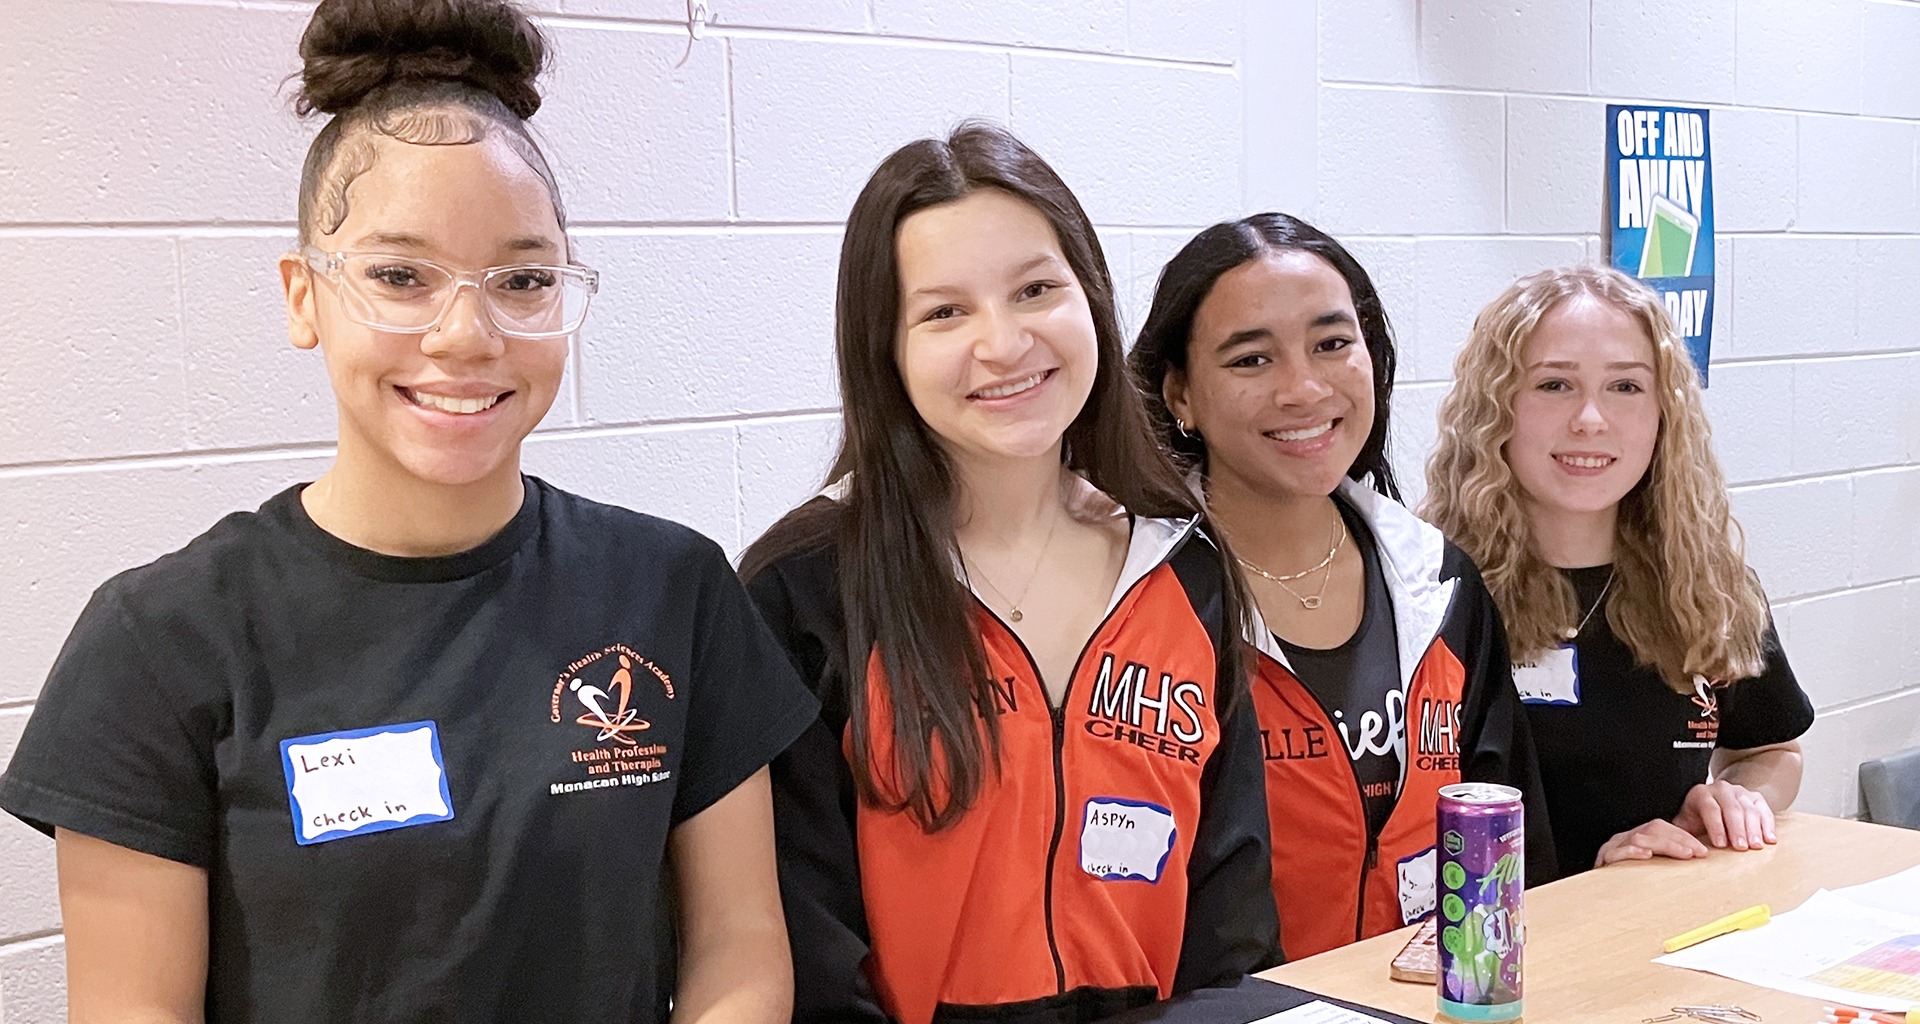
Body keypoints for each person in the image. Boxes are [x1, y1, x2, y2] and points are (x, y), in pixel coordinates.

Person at [0, 1, 816, 1018]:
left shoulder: (672, 590)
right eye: (398, 275)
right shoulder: (161, 640)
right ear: (303, 295)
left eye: (522, 278)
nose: (466, 333)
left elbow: (738, 949)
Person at [739, 123, 1279, 1024]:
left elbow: (1232, 918)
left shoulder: (1184, 565)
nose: (1004, 343)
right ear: (887, 348)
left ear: (1092, 301)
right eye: (945, 312)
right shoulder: (803, 588)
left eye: (1036, 289)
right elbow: (805, 944)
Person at [1129, 212, 1555, 959]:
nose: (1303, 388)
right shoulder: (1136, 604)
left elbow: (1512, 856)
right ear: (1180, 396)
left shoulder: (1440, 584)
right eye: (1250, 360)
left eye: (1332, 344)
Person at [1423, 264, 1813, 878]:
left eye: (1626, 387)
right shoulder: (1431, 592)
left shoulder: (1704, 582)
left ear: (1664, 414)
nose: (1590, 419)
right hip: (1490, 949)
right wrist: (1588, 876)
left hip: (1662, 936)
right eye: (1554, 385)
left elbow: (1772, 749)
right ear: (1495, 408)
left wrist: (1738, 799)